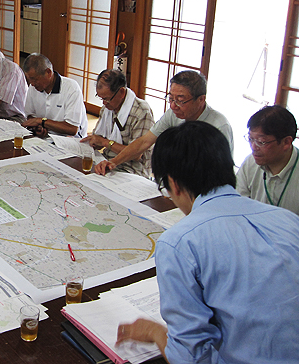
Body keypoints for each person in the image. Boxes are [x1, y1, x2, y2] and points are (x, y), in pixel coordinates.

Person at [116, 121, 299, 364]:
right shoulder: (288, 219)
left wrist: (154, 332)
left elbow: (190, 359)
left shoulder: (180, 242)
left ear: (174, 184)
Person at [95, 70, 233, 175]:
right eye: (171, 98)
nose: (173, 106)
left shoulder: (219, 126)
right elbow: (144, 141)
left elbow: (219, 173)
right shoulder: (173, 114)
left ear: (201, 99)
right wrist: (113, 162)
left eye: (180, 100)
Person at [81, 69, 154, 178]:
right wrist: (93, 141)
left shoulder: (141, 112)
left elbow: (136, 154)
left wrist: (105, 142)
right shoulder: (107, 108)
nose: (104, 103)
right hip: (107, 161)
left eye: (107, 99)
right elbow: (99, 138)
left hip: (132, 169)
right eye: (101, 98)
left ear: (121, 92)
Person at [236, 105, 298, 215]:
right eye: (251, 139)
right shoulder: (250, 163)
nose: (253, 147)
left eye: (261, 141)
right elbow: (237, 205)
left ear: (286, 142)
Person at [21, 53, 87, 138]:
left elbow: (72, 129)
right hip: (46, 137)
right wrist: (38, 128)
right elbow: (30, 116)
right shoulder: (33, 87)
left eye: (35, 79)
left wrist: (42, 122)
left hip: (69, 139)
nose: (32, 84)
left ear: (48, 73)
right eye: (29, 79)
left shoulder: (71, 88)